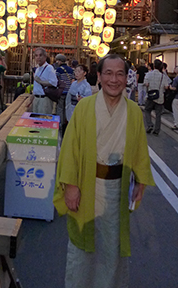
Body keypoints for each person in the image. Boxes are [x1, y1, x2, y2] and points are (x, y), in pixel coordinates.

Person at [54, 54, 154, 288]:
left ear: (127, 78)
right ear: (98, 76)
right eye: (108, 73)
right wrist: (70, 186)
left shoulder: (134, 112)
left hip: (117, 190)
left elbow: (139, 148)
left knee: (112, 247)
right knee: (82, 246)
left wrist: (140, 181)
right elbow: (70, 148)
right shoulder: (84, 108)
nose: (114, 79)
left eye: (120, 73)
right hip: (86, 184)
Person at [144, 59, 170, 135]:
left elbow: (146, 84)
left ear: (154, 66)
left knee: (147, 110)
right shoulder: (163, 76)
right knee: (158, 114)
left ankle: (149, 125)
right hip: (159, 97)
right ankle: (156, 130)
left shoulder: (148, 74)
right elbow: (166, 87)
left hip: (150, 96)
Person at [32, 47, 58, 114]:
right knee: (35, 121)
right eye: (36, 55)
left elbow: (54, 82)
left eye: (40, 55)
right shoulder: (37, 69)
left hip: (44, 99)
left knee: (43, 121)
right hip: (36, 98)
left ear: (45, 57)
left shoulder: (49, 68)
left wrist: (41, 81)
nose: (38, 57)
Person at [55, 54, 74, 134]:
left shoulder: (59, 70)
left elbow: (56, 80)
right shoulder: (71, 70)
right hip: (69, 92)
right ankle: (67, 125)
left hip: (61, 91)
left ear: (59, 61)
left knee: (60, 108)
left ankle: (60, 125)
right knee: (67, 108)